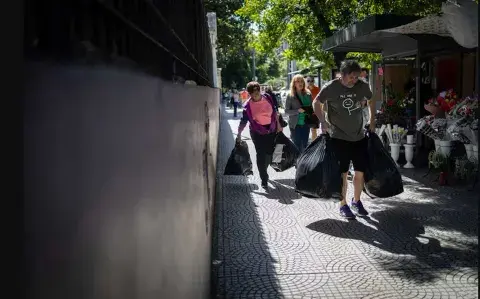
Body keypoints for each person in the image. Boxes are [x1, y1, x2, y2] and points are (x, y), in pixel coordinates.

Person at [313, 60, 375, 219]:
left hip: (359, 136)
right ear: (343, 74)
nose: (354, 80)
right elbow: (316, 103)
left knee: (360, 172)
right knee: (343, 173)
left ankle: (357, 200)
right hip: (339, 137)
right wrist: (323, 121)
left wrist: (372, 121)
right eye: (352, 77)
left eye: (357, 77)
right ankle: (343, 204)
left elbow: (371, 100)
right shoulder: (331, 87)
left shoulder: (362, 86)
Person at [237, 81, 282, 189]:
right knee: (260, 154)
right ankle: (264, 178)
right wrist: (239, 133)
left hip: (271, 129)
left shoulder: (268, 97)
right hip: (257, 132)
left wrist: (279, 125)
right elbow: (243, 121)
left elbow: (275, 111)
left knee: (270, 153)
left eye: (257, 90)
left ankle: (265, 167)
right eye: (253, 92)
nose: (256, 93)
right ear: (250, 93)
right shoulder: (247, 106)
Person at [285, 74, 313, 153]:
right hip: (295, 124)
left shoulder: (308, 94)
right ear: (294, 83)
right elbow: (286, 111)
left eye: (301, 81)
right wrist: (297, 111)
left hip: (306, 123)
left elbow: (311, 108)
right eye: (298, 81)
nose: (300, 83)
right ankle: (297, 163)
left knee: (304, 145)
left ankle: (302, 163)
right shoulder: (290, 95)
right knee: (297, 145)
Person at [306, 76, 321, 140]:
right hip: (306, 112)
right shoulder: (304, 89)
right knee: (306, 130)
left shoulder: (317, 89)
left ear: (314, 81)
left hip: (314, 112)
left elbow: (320, 101)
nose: (310, 82)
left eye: (312, 81)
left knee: (313, 130)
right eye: (308, 81)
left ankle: (313, 143)